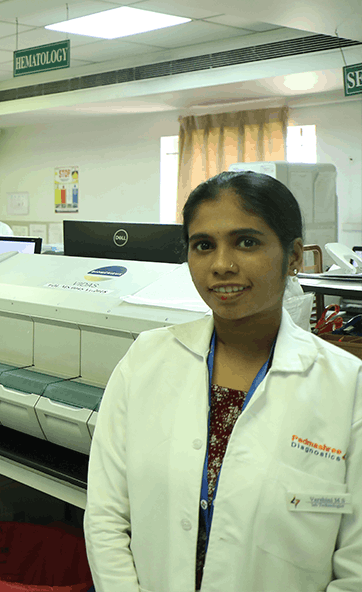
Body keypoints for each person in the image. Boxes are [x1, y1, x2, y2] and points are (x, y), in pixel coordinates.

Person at [85, 170, 362, 591]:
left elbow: (355, 568)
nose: (221, 265)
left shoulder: (348, 388)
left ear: (294, 257)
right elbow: (106, 516)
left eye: (246, 242)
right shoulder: (145, 359)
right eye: (203, 245)